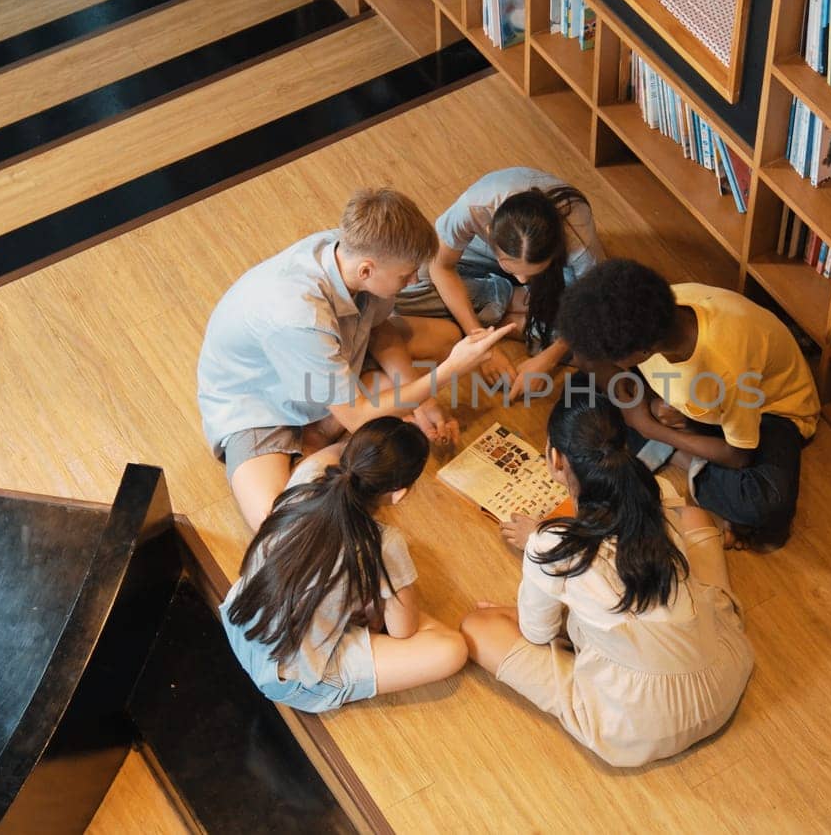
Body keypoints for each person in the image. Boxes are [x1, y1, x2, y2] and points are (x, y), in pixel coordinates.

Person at [460, 395, 754, 768]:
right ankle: (598, 634)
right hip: (720, 683)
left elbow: (537, 634)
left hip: (638, 724)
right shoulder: (654, 492)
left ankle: (590, 643)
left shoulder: (549, 546)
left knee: (477, 626)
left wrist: (542, 543)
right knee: (696, 521)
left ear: (555, 459)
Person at [198, 187, 515, 531]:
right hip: (259, 403)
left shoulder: (348, 249)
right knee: (275, 521)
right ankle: (321, 444)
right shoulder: (299, 315)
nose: (413, 282)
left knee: (445, 341)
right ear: (367, 270)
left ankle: (323, 435)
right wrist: (450, 371)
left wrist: (424, 401)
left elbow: (382, 330)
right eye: (407, 275)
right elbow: (356, 416)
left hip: (329, 368)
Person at [554, 260, 819, 550]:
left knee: (765, 504)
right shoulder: (655, 309)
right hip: (699, 400)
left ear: (641, 351)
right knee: (580, 392)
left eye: (613, 358)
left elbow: (738, 456)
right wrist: (643, 403)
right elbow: (590, 359)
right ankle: (683, 443)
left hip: (770, 411)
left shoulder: (725, 370)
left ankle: (679, 453)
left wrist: (652, 428)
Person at [222, 417, 468, 713]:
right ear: (400, 493)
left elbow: (337, 451)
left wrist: (379, 439)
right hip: (289, 678)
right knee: (451, 649)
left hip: (240, 623)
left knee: (356, 594)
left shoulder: (308, 473)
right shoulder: (384, 543)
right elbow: (403, 630)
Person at [396, 168, 605, 399]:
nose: (524, 280)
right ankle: (516, 308)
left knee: (597, 333)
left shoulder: (580, 248)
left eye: (531, 274)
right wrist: (483, 342)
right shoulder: (475, 207)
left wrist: (548, 359)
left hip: (558, 275)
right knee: (413, 280)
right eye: (512, 269)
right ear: (488, 232)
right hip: (478, 255)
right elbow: (440, 266)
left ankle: (518, 311)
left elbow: (593, 305)